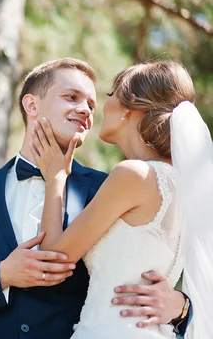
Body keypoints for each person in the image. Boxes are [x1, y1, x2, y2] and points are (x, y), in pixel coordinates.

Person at [0, 58, 191, 339]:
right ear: (32, 105)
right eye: (71, 97)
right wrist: (2, 275)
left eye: (92, 105)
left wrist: (181, 307)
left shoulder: (110, 189)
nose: (85, 109)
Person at [30, 60, 212, 338]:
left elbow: (53, 259)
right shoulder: (186, 187)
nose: (99, 108)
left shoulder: (134, 175)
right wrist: (183, 306)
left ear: (129, 108)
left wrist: (55, 178)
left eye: (109, 95)